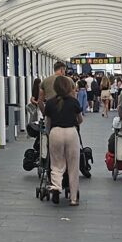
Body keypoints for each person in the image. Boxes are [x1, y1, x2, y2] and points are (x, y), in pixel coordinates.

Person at [43, 72, 83, 206]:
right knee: (73, 166)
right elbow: (80, 120)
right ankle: (73, 198)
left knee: (56, 163)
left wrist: (49, 133)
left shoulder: (50, 103)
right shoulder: (74, 102)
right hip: (71, 132)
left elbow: (48, 123)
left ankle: (56, 186)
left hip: (55, 132)